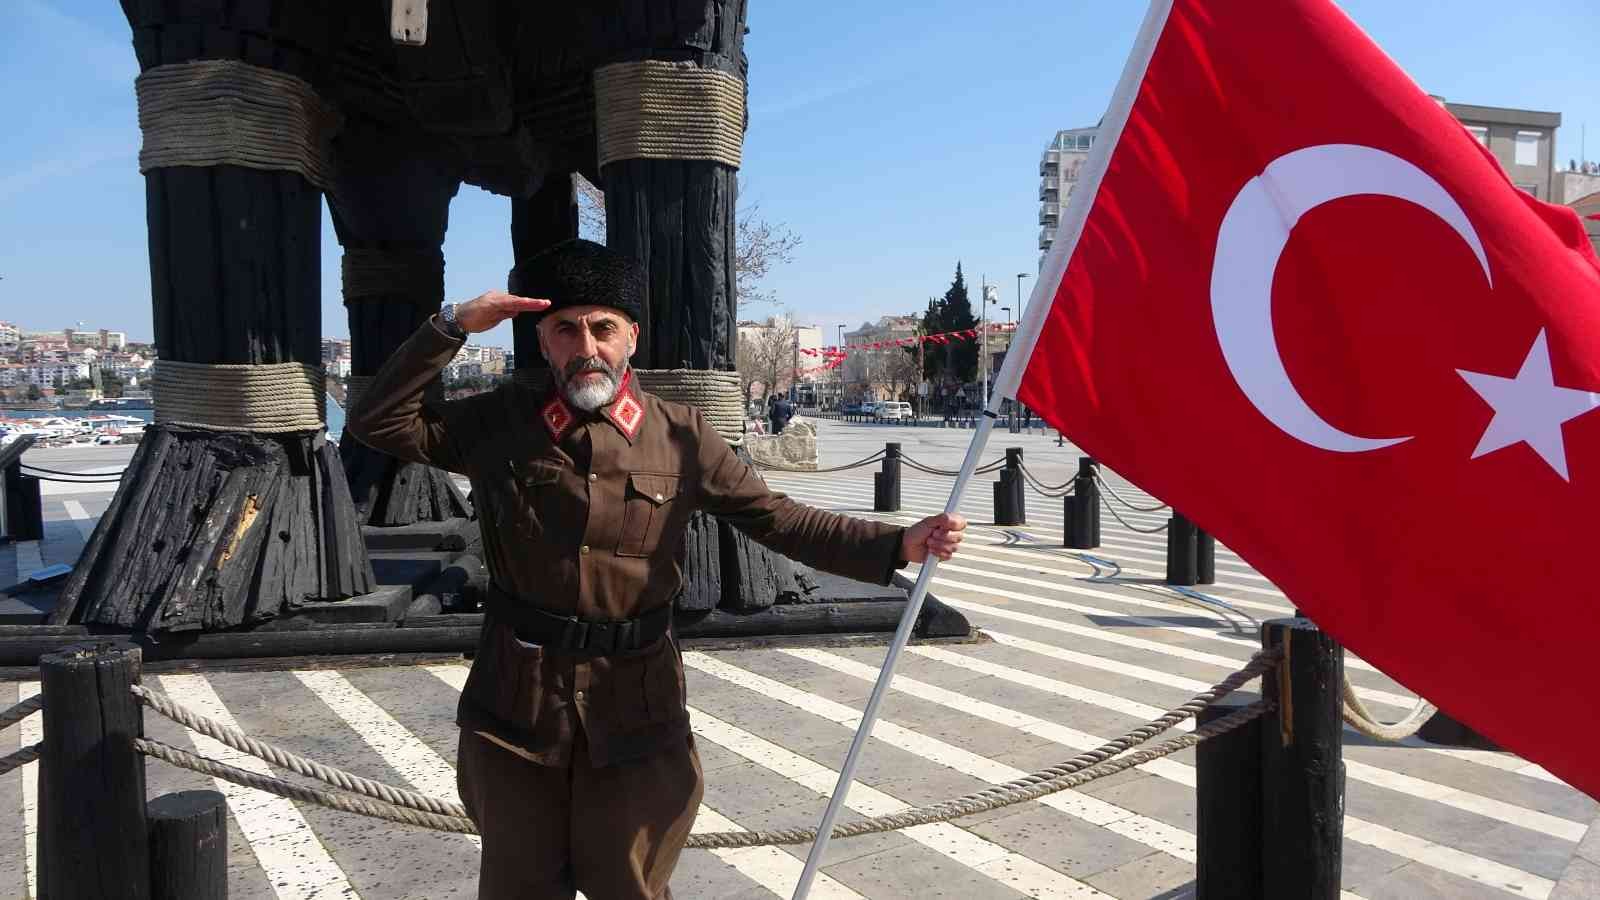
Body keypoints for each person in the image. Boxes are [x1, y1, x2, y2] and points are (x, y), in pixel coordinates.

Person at [348, 238, 966, 900]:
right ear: (543, 343)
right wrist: (452, 326)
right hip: (517, 705)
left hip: (634, 709)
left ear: (631, 338)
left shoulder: (681, 435)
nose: (586, 344)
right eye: (565, 329)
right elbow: (377, 421)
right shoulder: (498, 425)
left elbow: (777, 518)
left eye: (603, 328)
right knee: (516, 888)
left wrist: (897, 544)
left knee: (631, 887)